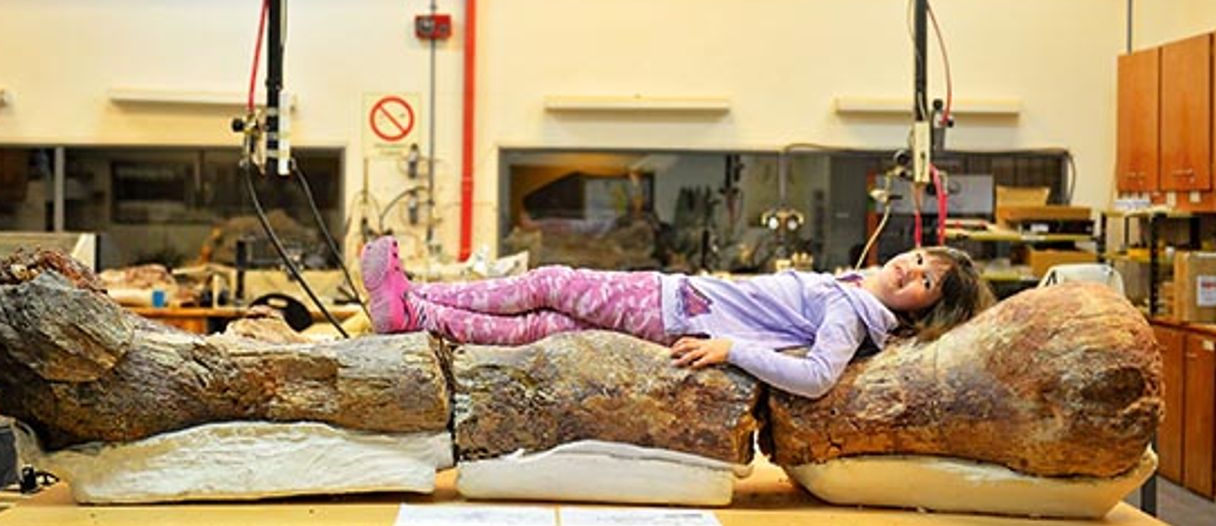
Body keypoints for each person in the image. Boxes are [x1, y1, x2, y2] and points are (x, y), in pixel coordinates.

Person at [360, 237, 994, 399]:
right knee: (543, 328)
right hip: (672, 312)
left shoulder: (851, 311)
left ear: (927, 310)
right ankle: (414, 314)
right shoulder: (855, 287)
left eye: (925, 284)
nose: (909, 272)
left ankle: (412, 303)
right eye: (915, 259)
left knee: (550, 284)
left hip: (669, 305)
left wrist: (729, 349)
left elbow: (819, 378)